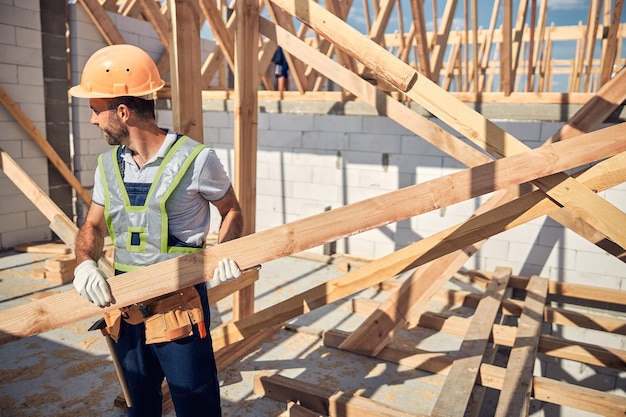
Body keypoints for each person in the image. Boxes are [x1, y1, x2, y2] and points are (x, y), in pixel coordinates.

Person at [69, 44, 244, 417]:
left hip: (179, 304)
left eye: (95, 111)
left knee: (195, 402)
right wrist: (85, 262)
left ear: (122, 111)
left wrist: (225, 251)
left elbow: (232, 212)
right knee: (139, 402)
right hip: (124, 303)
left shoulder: (197, 160)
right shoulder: (107, 165)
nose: (93, 121)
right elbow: (93, 225)